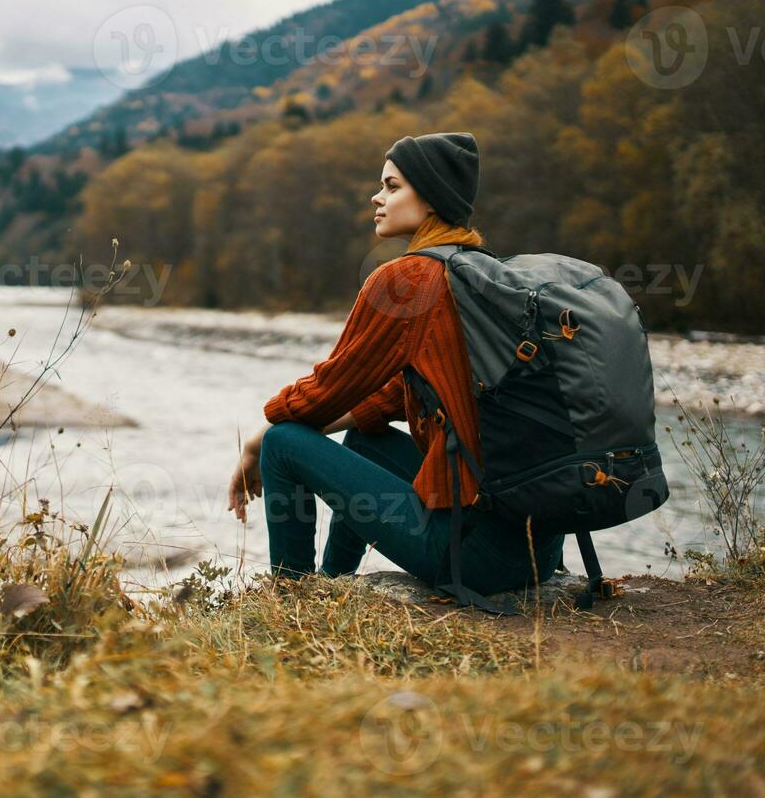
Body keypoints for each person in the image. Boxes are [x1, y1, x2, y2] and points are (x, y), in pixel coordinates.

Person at [225, 131, 564, 595]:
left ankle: (293, 599)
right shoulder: (480, 273)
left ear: (430, 198)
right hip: (534, 551)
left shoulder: (409, 279)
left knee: (283, 441)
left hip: (476, 558)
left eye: (391, 186)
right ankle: (333, 586)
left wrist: (255, 445)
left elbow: (326, 392)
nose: (376, 197)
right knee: (364, 437)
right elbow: (391, 396)